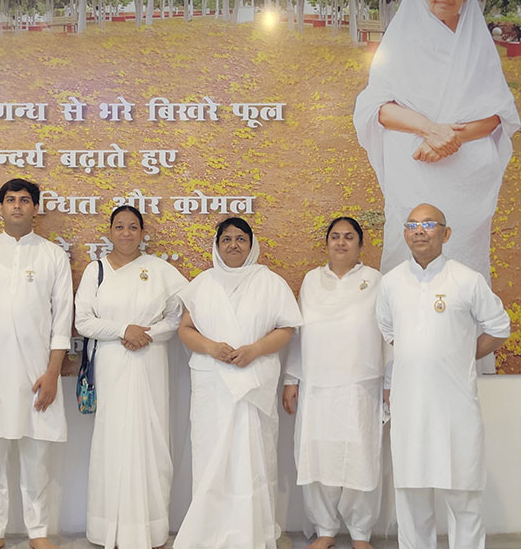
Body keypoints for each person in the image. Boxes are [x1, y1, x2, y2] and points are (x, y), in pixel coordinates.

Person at [353, 0, 519, 371]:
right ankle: (398, 370)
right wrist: (430, 129)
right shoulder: (402, 39)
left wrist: (452, 138)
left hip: (465, 184)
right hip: (414, 172)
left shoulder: (477, 43)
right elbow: (378, 107)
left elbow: (498, 113)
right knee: (404, 254)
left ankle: (464, 367)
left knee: (462, 263)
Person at [376, 203, 510, 549]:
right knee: (412, 495)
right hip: (410, 406)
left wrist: (461, 353)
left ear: (446, 234)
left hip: (455, 407)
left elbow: (499, 327)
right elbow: (391, 332)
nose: (419, 230)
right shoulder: (391, 283)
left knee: (463, 495)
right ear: (404, 233)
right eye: (412, 225)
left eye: (429, 224)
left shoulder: (467, 279)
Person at [0, 178, 73, 549]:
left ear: (36, 208)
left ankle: (37, 532)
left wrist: (53, 373)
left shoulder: (53, 256)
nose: (18, 206)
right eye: (11, 200)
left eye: (25, 200)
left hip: (38, 374)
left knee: (36, 456)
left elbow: (61, 322)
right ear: (0, 207)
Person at [173, 217, 303, 549]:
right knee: (211, 458)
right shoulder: (202, 283)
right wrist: (211, 348)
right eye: (227, 239)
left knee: (254, 459)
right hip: (212, 385)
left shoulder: (271, 283)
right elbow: (186, 330)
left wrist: (255, 349)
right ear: (216, 246)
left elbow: (285, 330)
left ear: (252, 244)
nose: (234, 244)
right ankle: (208, 535)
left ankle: (253, 534)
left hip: (254, 382)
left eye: (241, 238)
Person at [75, 205, 188, 549]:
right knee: (113, 440)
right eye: (119, 227)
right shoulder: (95, 271)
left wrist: (147, 334)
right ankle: (107, 528)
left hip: (150, 361)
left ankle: (150, 530)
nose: (126, 233)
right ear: (109, 232)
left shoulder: (159, 270)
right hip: (111, 362)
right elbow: (83, 321)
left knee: (150, 439)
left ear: (142, 233)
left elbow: (178, 316)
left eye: (133, 227)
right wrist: (124, 329)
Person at [283, 217, 385, 549]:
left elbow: (388, 334)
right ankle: (325, 529)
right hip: (316, 384)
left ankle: (360, 534)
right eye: (335, 237)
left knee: (361, 458)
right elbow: (299, 333)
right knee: (317, 457)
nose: (341, 242)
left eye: (349, 237)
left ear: (360, 244)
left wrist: (391, 382)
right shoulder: (312, 281)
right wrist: (290, 379)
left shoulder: (375, 281)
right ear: (326, 242)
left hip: (361, 384)